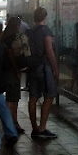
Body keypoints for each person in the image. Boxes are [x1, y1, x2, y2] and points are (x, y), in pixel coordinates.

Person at [27, 7, 59, 139]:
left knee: (33, 98)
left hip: (32, 67)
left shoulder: (30, 31)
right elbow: (49, 50)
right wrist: (55, 68)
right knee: (50, 95)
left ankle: (34, 128)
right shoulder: (45, 30)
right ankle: (42, 128)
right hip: (44, 67)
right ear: (45, 17)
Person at [0, 17, 27, 134]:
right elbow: (12, 54)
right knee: (13, 98)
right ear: (17, 25)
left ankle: (10, 122)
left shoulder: (3, 35)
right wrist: (17, 69)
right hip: (11, 71)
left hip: (3, 70)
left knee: (10, 97)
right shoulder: (14, 37)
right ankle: (13, 123)